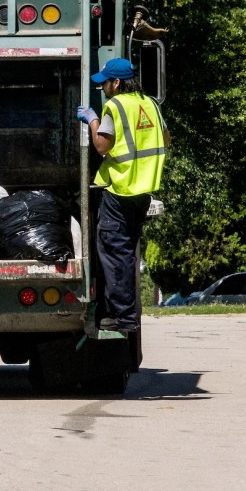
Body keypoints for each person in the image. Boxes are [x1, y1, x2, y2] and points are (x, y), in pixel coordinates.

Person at [77, 58, 168, 333]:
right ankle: (126, 315)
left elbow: (102, 146)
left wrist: (93, 121)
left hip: (119, 191)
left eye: (105, 82)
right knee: (126, 253)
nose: (103, 87)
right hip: (142, 191)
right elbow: (166, 138)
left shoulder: (114, 106)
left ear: (116, 83)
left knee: (115, 254)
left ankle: (123, 318)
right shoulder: (151, 104)